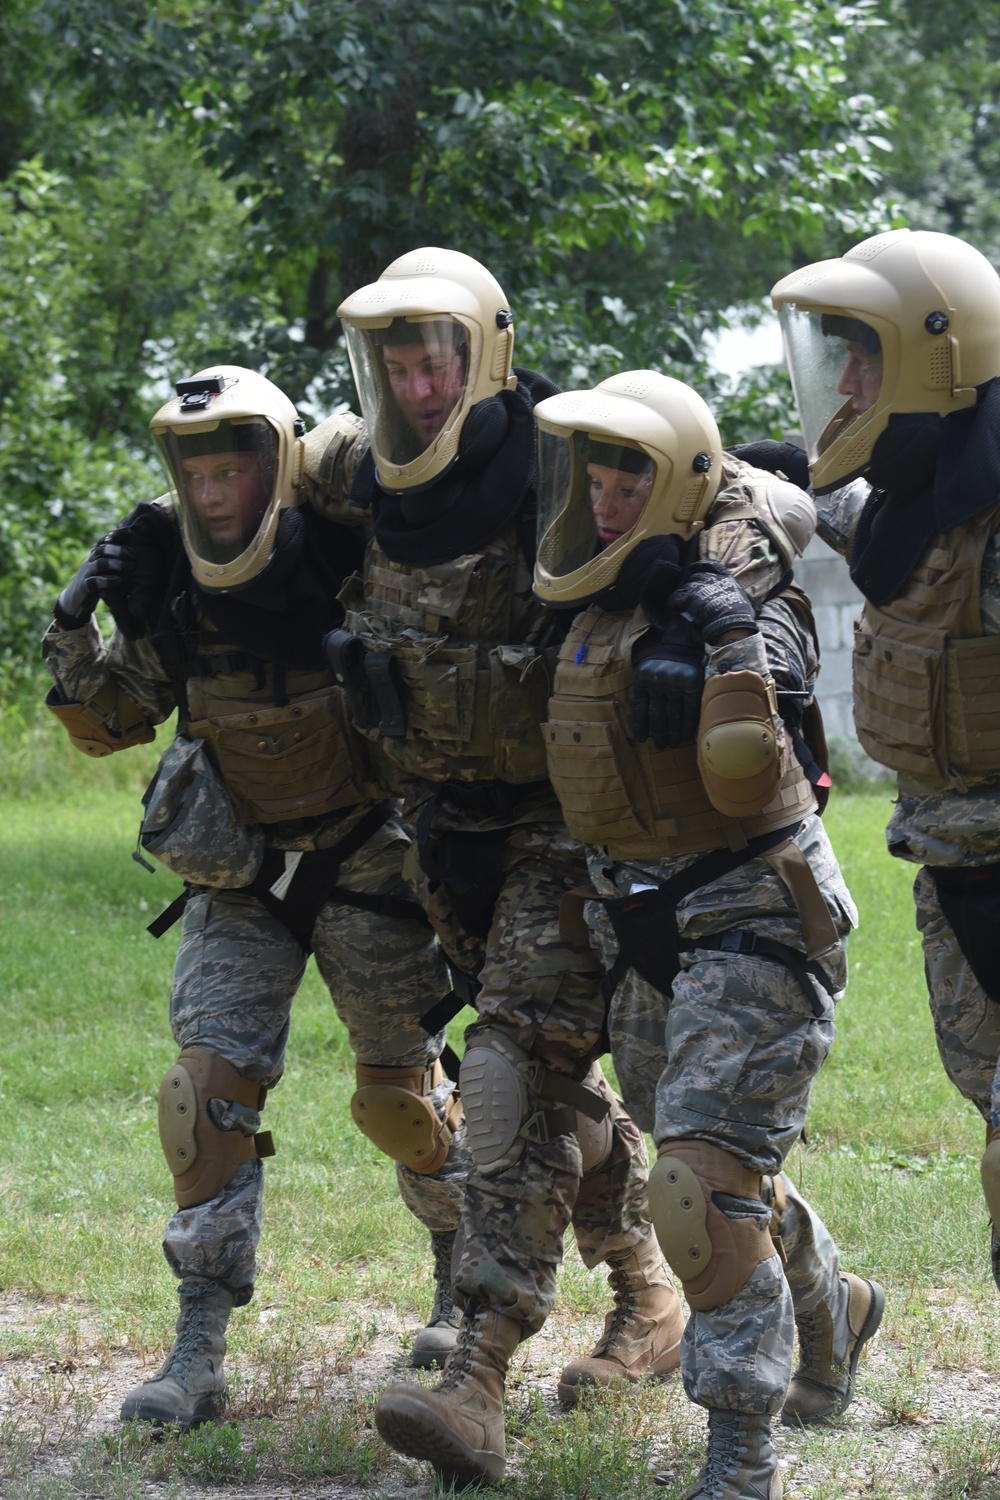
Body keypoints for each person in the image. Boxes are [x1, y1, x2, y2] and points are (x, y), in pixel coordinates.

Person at [315, 248, 685, 1488]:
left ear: (488, 352)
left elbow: (723, 490)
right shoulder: (352, 472)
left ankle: (477, 1372)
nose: (420, 385)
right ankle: (690, 1281)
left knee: (514, 1066)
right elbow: (231, 491)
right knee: (554, 1080)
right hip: (438, 835)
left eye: (440, 357)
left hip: (561, 828)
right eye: (396, 362)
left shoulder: (566, 455)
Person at [42, 365, 474, 1428]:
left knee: (399, 1102)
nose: (213, 483)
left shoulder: (350, 549)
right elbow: (111, 721)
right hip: (239, 876)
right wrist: (78, 623)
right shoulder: (168, 574)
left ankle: (460, 1273)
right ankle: (197, 1349)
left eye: (233, 461)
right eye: (194, 465)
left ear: (276, 460)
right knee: (202, 1098)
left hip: (372, 865)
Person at [531, 369, 883, 1500]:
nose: (611, 492)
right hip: (642, 926)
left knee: (694, 1188)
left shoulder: (747, 600)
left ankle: (740, 1456)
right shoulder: (582, 589)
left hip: (755, 916)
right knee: (721, 1178)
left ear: (681, 480)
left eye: (635, 470)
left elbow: (770, 701)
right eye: (598, 469)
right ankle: (836, 1304)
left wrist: (725, 650)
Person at [767, 227, 1000, 1291]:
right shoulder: (910, 509)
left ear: (929, 360)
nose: (844, 383)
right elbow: (824, 505)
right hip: (955, 877)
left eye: (864, 359)